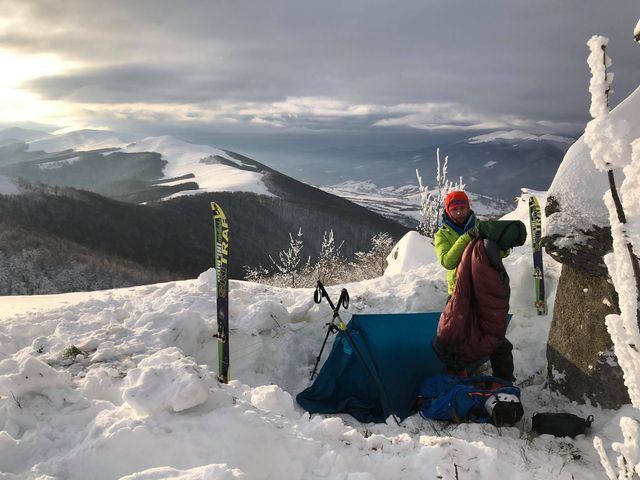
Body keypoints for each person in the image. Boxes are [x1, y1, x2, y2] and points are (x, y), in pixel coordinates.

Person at [433, 190, 515, 382]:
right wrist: (468, 237)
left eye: (462, 208)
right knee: (451, 337)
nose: (459, 213)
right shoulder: (442, 234)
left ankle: (503, 380)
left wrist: (502, 243)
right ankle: (458, 377)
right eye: (455, 210)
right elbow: (447, 261)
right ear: (448, 211)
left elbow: (500, 254)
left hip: (482, 290)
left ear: (468, 208)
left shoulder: (481, 226)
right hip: (458, 293)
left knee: (492, 335)